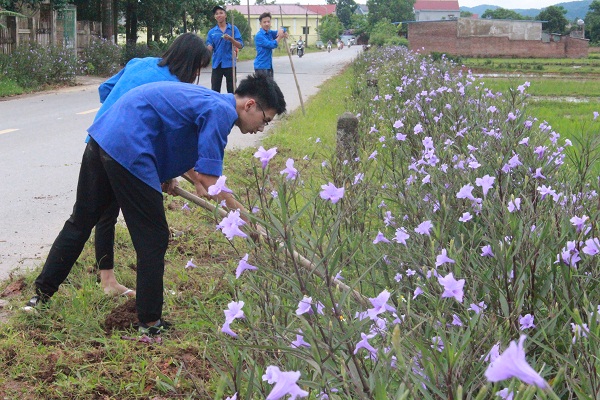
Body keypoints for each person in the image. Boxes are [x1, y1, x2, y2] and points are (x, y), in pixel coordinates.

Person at [26, 73, 286, 335]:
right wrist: (246, 218)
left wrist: (176, 175)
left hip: (104, 136)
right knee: (154, 237)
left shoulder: (209, 101)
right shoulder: (220, 111)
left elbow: (176, 140)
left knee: (80, 222)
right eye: (265, 120)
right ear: (250, 105)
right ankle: (150, 324)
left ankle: (39, 297)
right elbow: (211, 180)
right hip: (130, 148)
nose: (262, 128)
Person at [90, 33, 211, 298]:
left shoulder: (140, 63)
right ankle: (137, 299)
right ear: (190, 63)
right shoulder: (175, 87)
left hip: (100, 137)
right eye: (198, 68)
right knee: (147, 229)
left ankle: (107, 279)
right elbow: (171, 139)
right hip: (125, 151)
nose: (196, 74)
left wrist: (117, 116)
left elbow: (105, 90)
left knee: (105, 214)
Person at [206, 5, 243, 93]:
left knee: (232, 90)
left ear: (225, 15)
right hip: (217, 63)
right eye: (216, 14)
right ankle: (216, 106)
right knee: (215, 90)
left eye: (221, 13)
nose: (219, 15)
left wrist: (231, 39)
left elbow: (240, 45)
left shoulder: (233, 29)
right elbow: (209, 46)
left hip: (230, 63)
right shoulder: (212, 32)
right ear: (215, 17)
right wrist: (206, 52)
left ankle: (231, 106)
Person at [254, 12, 286, 77]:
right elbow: (271, 45)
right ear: (260, 23)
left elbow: (283, 30)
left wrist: (282, 30)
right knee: (263, 87)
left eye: (268, 22)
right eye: (264, 22)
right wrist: (280, 37)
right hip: (261, 67)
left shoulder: (270, 32)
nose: (267, 24)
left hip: (269, 66)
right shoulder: (259, 36)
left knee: (270, 86)